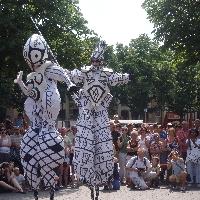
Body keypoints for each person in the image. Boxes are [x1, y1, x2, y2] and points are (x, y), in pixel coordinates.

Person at [14, 34, 77, 200]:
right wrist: (20, 83)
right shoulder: (32, 77)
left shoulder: (49, 69)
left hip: (48, 122)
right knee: (28, 147)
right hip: (36, 121)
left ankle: (49, 182)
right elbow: (30, 93)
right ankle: (35, 185)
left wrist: (70, 84)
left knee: (45, 148)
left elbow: (62, 75)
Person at [67, 40, 132, 199]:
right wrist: (68, 78)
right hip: (87, 109)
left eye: (98, 61)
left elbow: (118, 78)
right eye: (93, 60)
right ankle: (85, 173)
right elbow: (72, 75)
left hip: (101, 110)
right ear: (91, 61)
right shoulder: (85, 72)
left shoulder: (107, 73)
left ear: (102, 61)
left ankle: (102, 176)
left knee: (102, 144)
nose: (95, 63)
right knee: (85, 140)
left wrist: (128, 76)